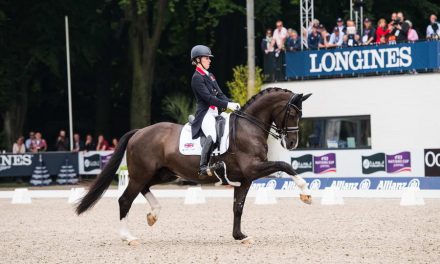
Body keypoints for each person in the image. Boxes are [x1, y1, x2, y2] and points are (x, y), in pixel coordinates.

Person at [190, 45, 240, 178]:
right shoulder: (196, 78)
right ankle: (202, 166)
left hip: (215, 112)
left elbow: (220, 94)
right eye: (206, 58)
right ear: (198, 60)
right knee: (212, 134)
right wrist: (227, 104)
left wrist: (233, 104)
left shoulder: (210, 76)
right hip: (205, 113)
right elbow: (209, 99)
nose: (209, 60)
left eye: (209, 58)